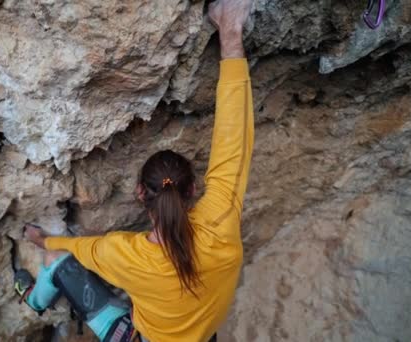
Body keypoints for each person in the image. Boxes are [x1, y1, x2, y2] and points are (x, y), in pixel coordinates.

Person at [23, 0, 254, 340]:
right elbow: (234, 138)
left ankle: (34, 300)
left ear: (140, 193)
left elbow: (78, 249)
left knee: (55, 257)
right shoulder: (220, 222)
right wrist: (230, 31)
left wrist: (43, 239)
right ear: (192, 190)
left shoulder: (123, 254)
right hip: (201, 334)